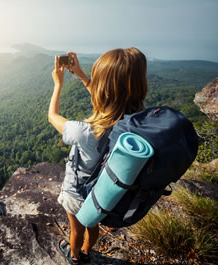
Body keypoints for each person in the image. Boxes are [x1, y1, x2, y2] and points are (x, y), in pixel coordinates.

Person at [48, 48, 147, 265]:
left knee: (76, 230)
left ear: (102, 90)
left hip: (76, 193)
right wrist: (81, 75)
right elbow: (113, 100)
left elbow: (52, 116)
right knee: (92, 227)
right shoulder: (133, 122)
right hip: (102, 194)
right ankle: (86, 251)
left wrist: (58, 84)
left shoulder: (84, 132)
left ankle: (75, 257)